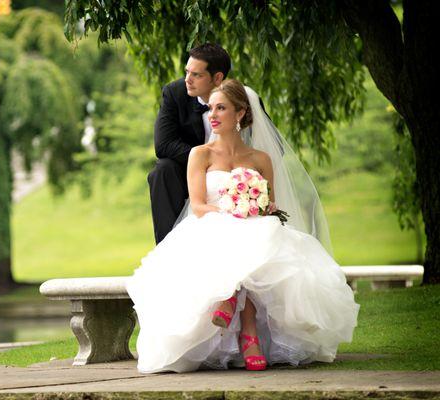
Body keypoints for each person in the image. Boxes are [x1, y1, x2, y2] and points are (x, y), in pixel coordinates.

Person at [127, 79, 360, 373]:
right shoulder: (200, 154)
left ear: (240, 114)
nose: (212, 115)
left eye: (220, 108)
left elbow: (270, 206)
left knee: (261, 234)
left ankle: (232, 299)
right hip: (210, 225)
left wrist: (251, 210)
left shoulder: (260, 159)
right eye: (210, 108)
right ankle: (248, 331)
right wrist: (231, 209)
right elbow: (198, 205)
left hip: (253, 226)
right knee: (241, 236)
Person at [148, 43, 231, 244]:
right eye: (187, 72)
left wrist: (233, 168)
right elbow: (163, 145)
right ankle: (166, 248)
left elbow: (270, 145)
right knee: (162, 170)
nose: (188, 79)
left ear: (217, 78)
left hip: (233, 172)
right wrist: (207, 161)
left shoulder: (242, 99)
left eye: (197, 75)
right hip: (187, 173)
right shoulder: (174, 93)